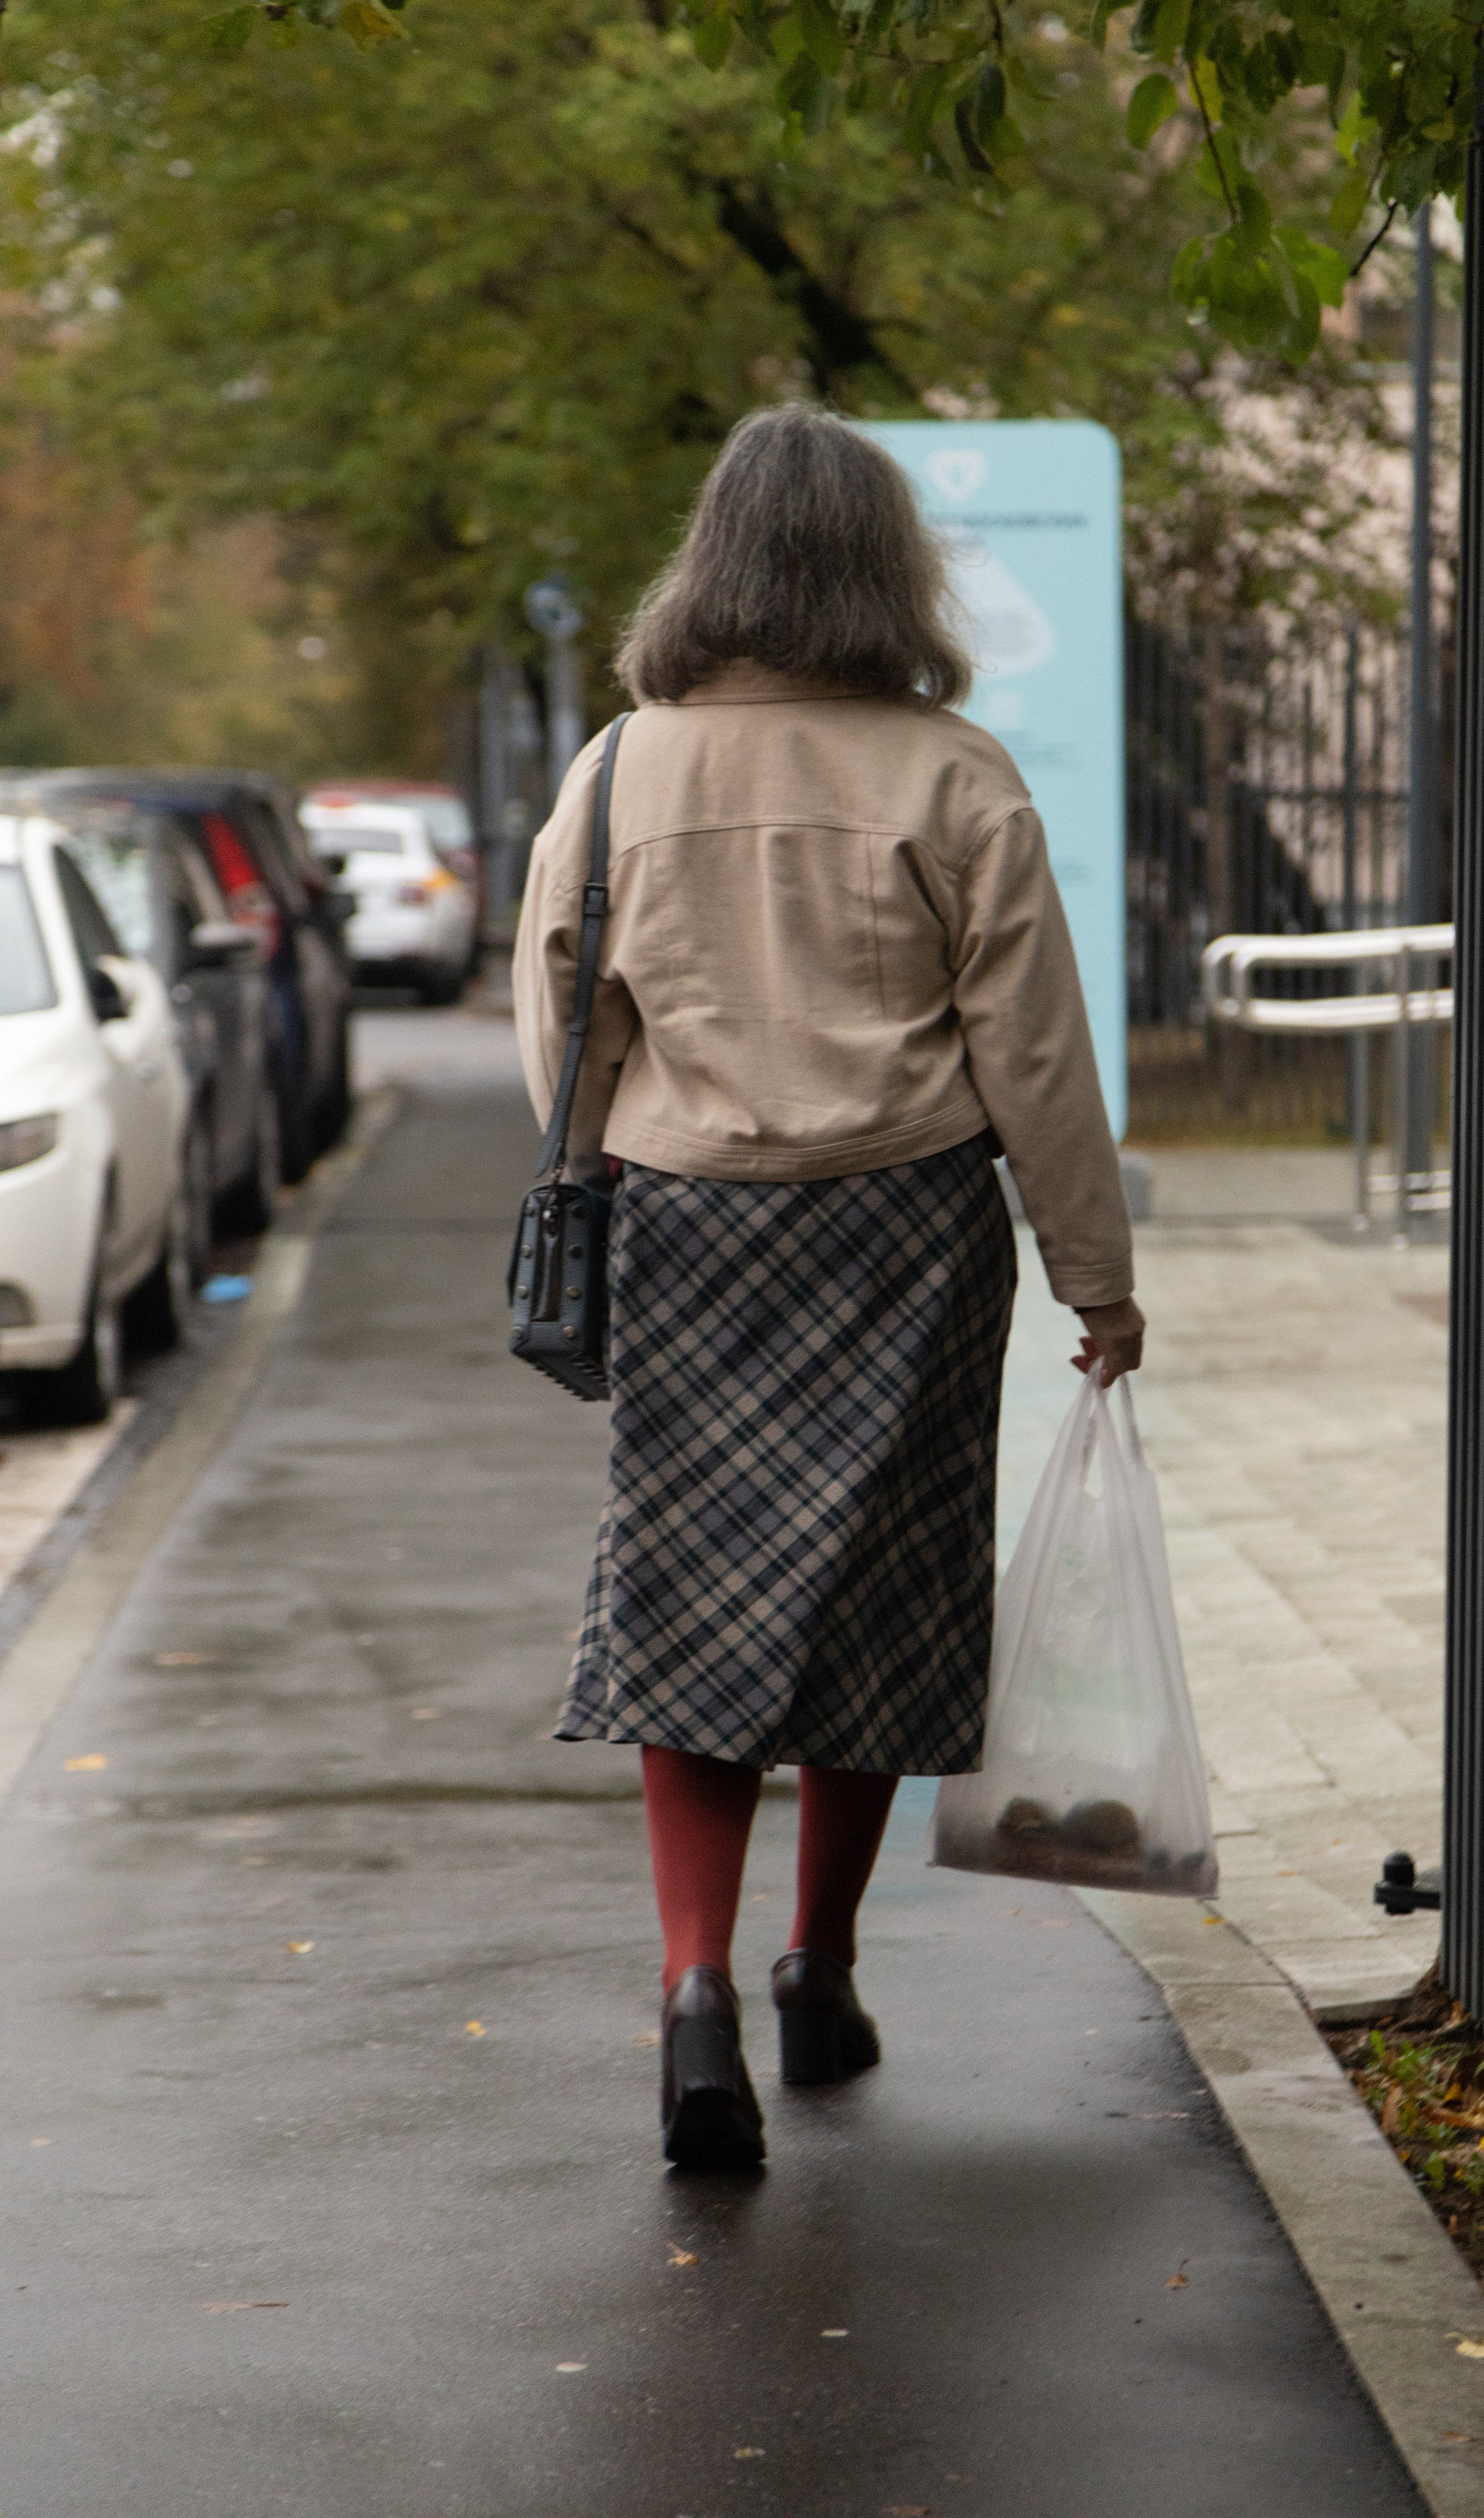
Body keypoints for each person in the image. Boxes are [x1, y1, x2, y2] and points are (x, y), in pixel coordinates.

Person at [513, 405, 1142, 2172]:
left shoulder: (625, 770)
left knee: (691, 1606)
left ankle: (692, 1990)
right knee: (886, 1596)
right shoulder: (957, 774)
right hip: (912, 1233)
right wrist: (1097, 1278)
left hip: (691, 1231)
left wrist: (609, 1169)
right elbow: (1038, 1058)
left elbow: (566, 1022)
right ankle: (821, 1967)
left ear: (712, 558)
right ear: (888, 565)